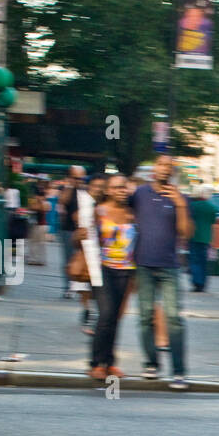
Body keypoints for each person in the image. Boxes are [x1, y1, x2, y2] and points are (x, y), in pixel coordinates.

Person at [128, 154, 191, 389]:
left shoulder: (180, 198)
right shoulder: (140, 194)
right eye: (161, 164)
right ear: (154, 168)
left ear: (173, 172)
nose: (165, 169)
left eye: (169, 166)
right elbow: (124, 215)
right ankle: (151, 363)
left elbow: (186, 233)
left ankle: (179, 371)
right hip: (143, 264)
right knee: (145, 317)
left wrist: (181, 205)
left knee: (174, 318)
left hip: (169, 266)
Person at [89, 174, 135, 381]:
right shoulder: (99, 212)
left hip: (126, 270)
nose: (121, 191)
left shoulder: (132, 214)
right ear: (108, 190)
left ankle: (110, 362)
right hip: (102, 269)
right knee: (106, 314)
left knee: (115, 317)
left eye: (124, 187)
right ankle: (96, 363)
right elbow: (79, 239)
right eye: (116, 188)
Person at [68, 174, 105, 334]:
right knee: (84, 285)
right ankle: (88, 310)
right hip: (87, 250)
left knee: (97, 287)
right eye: (95, 186)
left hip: (104, 251)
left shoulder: (107, 205)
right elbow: (78, 229)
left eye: (101, 187)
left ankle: (92, 314)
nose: (98, 189)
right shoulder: (85, 205)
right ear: (90, 188)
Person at [58, 166, 87, 297]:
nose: (79, 180)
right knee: (69, 259)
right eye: (76, 178)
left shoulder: (86, 190)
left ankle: (81, 285)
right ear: (70, 178)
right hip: (68, 229)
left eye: (81, 178)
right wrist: (70, 185)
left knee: (83, 258)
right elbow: (62, 201)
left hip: (83, 229)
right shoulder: (67, 190)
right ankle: (68, 286)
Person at [187, 184, 217, 292]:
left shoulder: (192, 206)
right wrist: (214, 240)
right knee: (203, 261)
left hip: (194, 236)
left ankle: (197, 282)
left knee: (194, 261)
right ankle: (203, 283)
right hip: (206, 238)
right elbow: (214, 225)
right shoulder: (212, 208)